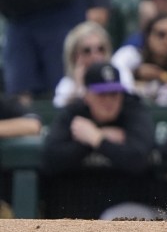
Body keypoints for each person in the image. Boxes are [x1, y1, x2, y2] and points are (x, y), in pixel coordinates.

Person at [40, 62, 157, 220]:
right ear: (87, 95)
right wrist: (88, 142)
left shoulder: (133, 110)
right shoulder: (74, 113)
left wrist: (97, 139)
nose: (109, 100)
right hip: (73, 214)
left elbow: (139, 158)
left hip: (130, 213)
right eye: (102, 94)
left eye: (114, 94)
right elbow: (50, 160)